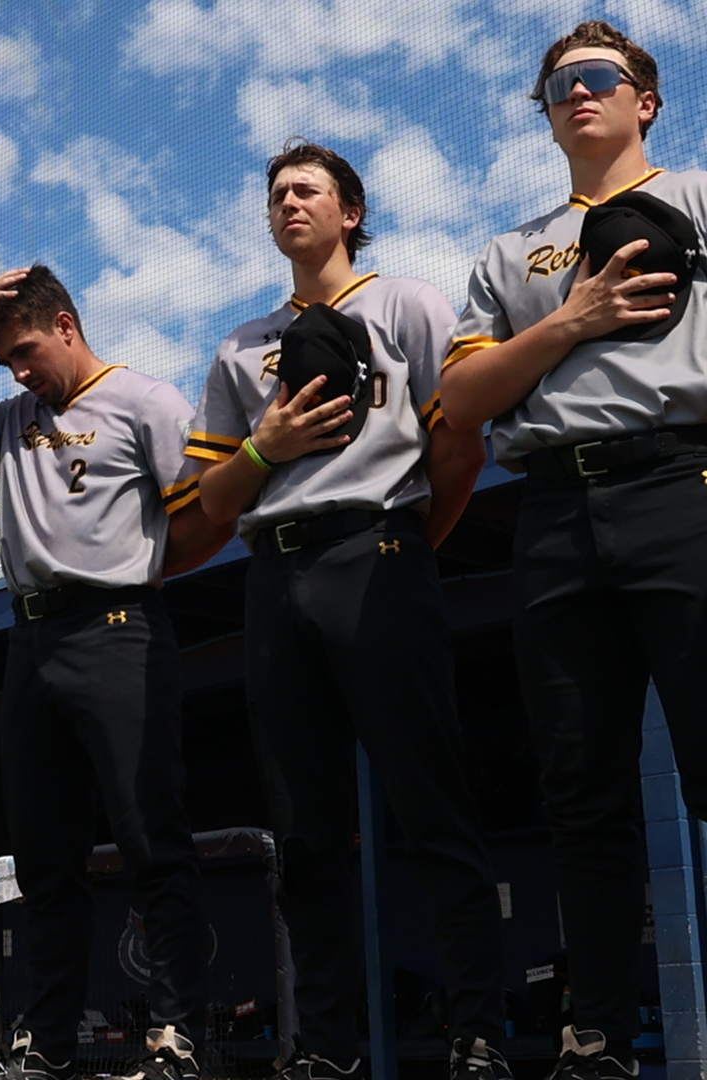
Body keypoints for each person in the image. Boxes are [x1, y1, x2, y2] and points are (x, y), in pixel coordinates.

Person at [189, 142, 505, 1080]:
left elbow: (459, 450)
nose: (288, 202)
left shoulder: (406, 303)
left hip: (380, 548)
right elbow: (210, 504)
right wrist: (265, 444)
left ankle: (477, 1035)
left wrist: (410, 548)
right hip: (275, 575)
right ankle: (325, 1050)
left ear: (351, 212)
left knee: (432, 802)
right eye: (276, 192)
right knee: (306, 832)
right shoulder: (240, 347)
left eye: (308, 190)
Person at [440, 21, 706, 1080]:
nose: (577, 93)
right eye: (557, 85)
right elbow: (460, 400)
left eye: (600, 78)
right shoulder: (513, 252)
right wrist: (574, 318)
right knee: (581, 792)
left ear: (647, 99)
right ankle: (594, 1041)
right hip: (556, 511)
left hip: (685, 483)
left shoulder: (699, 199)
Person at [0, 265, 236, 1080]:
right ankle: (48, 1046)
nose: (20, 372)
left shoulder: (147, 401)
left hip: (119, 629)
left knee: (149, 839)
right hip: (31, 645)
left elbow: (202, 517)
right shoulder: (16, 417)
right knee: (44, 858)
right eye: (4, 361)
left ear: (66, 324)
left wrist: (139, 571)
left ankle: (175, 1037)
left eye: (24, 351)